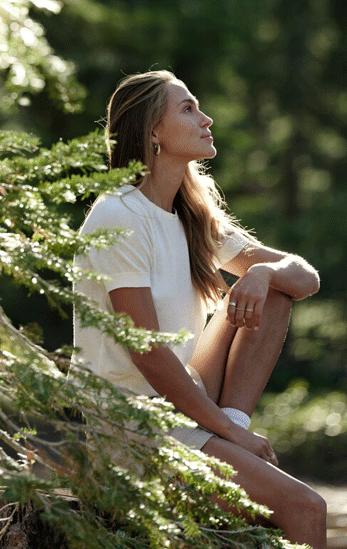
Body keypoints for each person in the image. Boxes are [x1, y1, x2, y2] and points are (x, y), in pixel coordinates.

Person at [74, 69, 327, 548]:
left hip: (183, 401)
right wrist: (236, 443)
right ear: (153, 131)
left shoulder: (190, 215)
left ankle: (231, 430)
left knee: (272, 290)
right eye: (187, 108)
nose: (206, 118)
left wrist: (264, 272)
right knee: (306, 509)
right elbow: (147, 354)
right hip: (133, 428)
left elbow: (305, 278)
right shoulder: (118, 216)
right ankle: (226, 439)